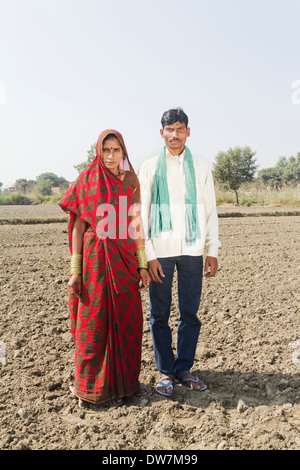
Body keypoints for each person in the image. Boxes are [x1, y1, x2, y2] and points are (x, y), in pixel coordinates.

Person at [59, 129, 152, 407]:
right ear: (98, 152)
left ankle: (125, 385)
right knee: (94, 323)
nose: (111, 156)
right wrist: (76, 270)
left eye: (116, 150)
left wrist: (142, 264)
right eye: (106, 150)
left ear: (123, 152)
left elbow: (135, 223)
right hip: (96, 263)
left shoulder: (131, 181)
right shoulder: (87, 180)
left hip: (124, 261)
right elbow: (77, 227)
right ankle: (92, 389)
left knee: (128, 323)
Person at [139, 108, 221, 397]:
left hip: (193, 250)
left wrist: (212, 250)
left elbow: (210, 211)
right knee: (159, 314)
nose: (175, 135)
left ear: (188, 132)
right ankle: (164, 371)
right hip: (160, 252)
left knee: (190, 313)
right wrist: (148, 256)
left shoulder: (201, 166)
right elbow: (143, 214)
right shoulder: (149, 167)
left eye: (180, 129)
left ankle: (184, 368)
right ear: (161, 133)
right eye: (169, 129)